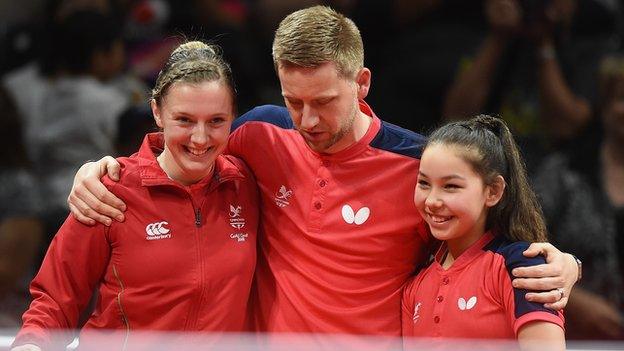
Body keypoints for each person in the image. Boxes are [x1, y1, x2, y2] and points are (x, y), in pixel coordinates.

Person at [67, 5, 579, 339]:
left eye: (324, 102)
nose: (308, 121)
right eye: (294, 101)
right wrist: (102, 171)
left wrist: (562, 263)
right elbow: (184, 155)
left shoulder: (419, 167)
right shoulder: (261, 133)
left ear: (362, 82)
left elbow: (490, 237)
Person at [11, 41, 259, 351]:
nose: (200, 137)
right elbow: (54, 301)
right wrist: (31, 345)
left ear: (233, 117)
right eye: (184, 120)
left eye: (216, 121)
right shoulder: (110, 189)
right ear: (157, 112)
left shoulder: (247, 184)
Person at [402, 115, 565, 350]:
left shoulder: (523, 267)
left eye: (451, 186)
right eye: (424, 183)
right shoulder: (416, 285)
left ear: (493, 191)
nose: (432, 200)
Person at [532, 54, 624, 340]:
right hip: (571, 334)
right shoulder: (562, 172)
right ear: (605, 106)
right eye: (622, 97)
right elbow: (521, 244)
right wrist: (573, 299)